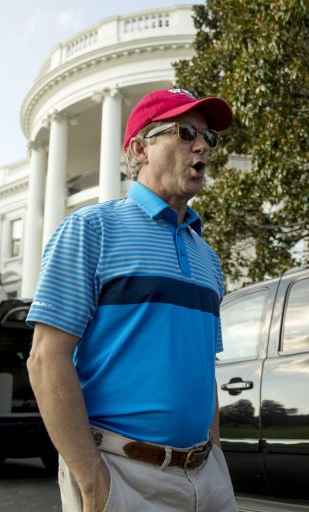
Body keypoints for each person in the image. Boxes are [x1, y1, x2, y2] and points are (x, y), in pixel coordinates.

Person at [27, 88, 238, 511]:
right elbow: (46, 361)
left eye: (208, 137)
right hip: (122, 476)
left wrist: (214, 454)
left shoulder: (207, 258)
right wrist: (92, 482)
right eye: (185, 132)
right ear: (140, 148)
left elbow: (203, 369)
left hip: (207, 476)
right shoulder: (90, 230)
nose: (202, 146)